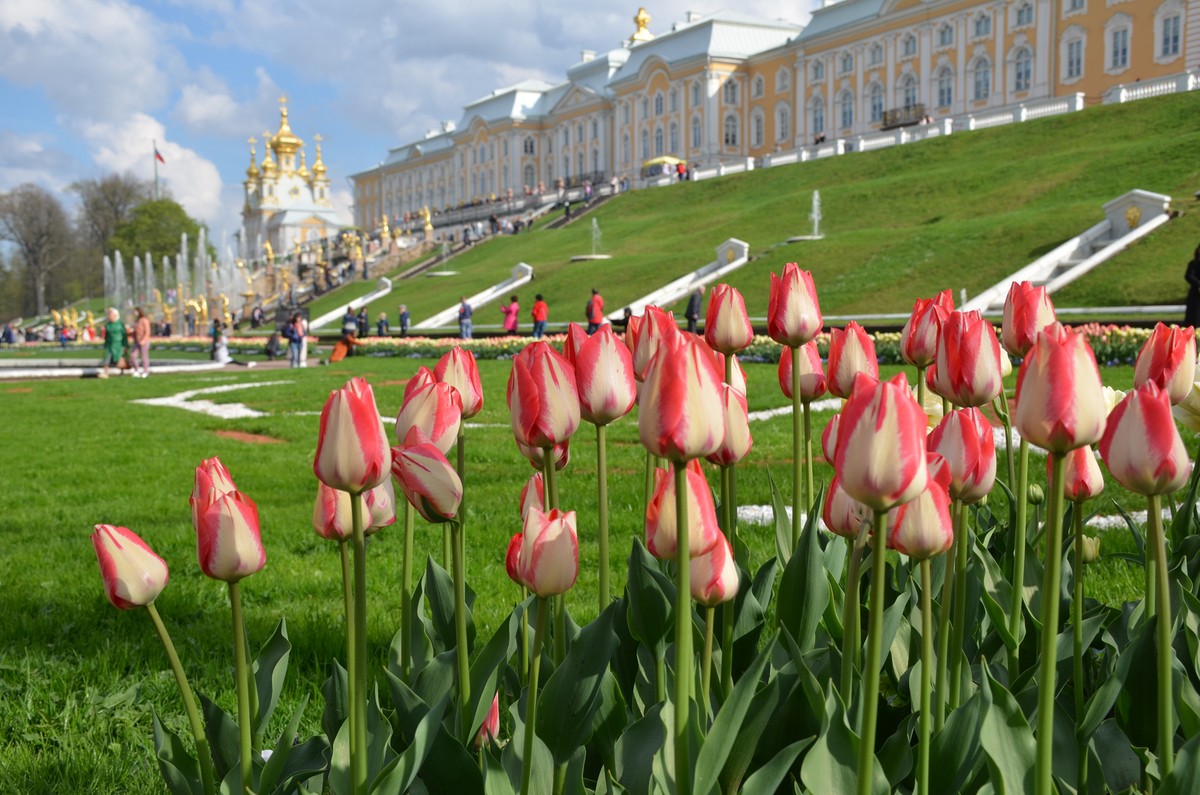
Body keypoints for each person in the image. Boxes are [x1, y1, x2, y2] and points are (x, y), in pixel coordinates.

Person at [98, 307, 127, 379]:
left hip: (118, 345)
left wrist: (124, 345)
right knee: (106, 358)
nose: (109, 316)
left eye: (110, 314)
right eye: (108, 315)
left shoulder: (120, 324)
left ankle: (122, 372)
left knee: (120, 359)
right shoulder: (108, 325)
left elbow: (124, 336)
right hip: (109, 345)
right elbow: (106, 336)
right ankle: (105, 372)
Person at [130, 306, 151, 377]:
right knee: (133, 356)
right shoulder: (136, 321)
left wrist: (144, 340)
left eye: (135, 311)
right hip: (137, 341)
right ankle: (137, 370)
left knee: (144, 357)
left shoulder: (144, 320)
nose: (134, 313)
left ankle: (146, 371)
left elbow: (147, 331)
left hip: (144, 341)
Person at [1186, 244, 1200, 326]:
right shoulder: (1194, 263)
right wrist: (1198, 284)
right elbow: (1189, 276)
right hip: (1196, 292)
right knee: (1195, 315)